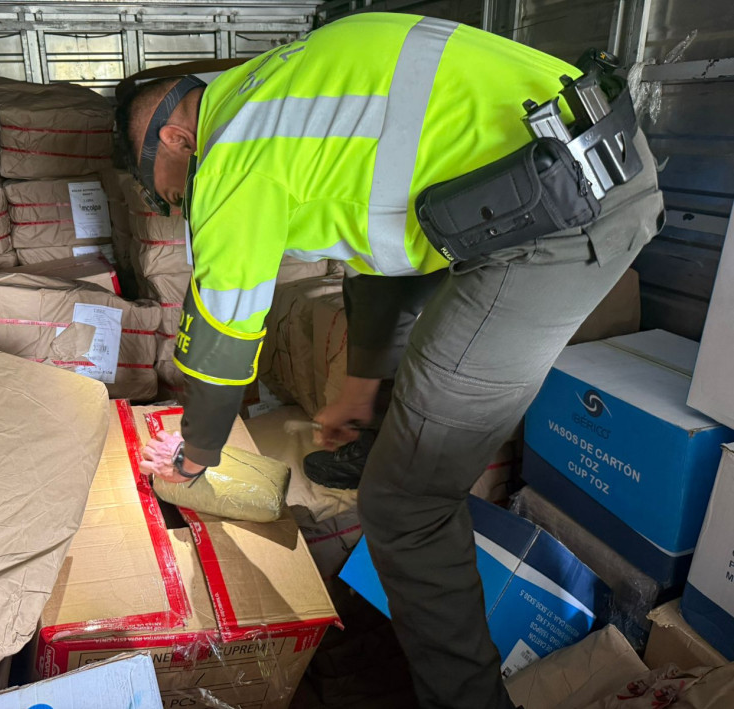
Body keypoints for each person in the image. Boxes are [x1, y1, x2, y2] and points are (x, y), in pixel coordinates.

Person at [122, 12, 663, 709]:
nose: (165, 200)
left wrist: (194, 455)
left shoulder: (234, 145)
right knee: (429, 376)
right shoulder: (287, 89)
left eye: (156, 183)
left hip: (557, 214)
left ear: (174, 137)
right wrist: (358, 390)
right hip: (563, 172)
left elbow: (223, 329)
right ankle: (383, 444)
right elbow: (387, 257)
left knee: (404, 505)